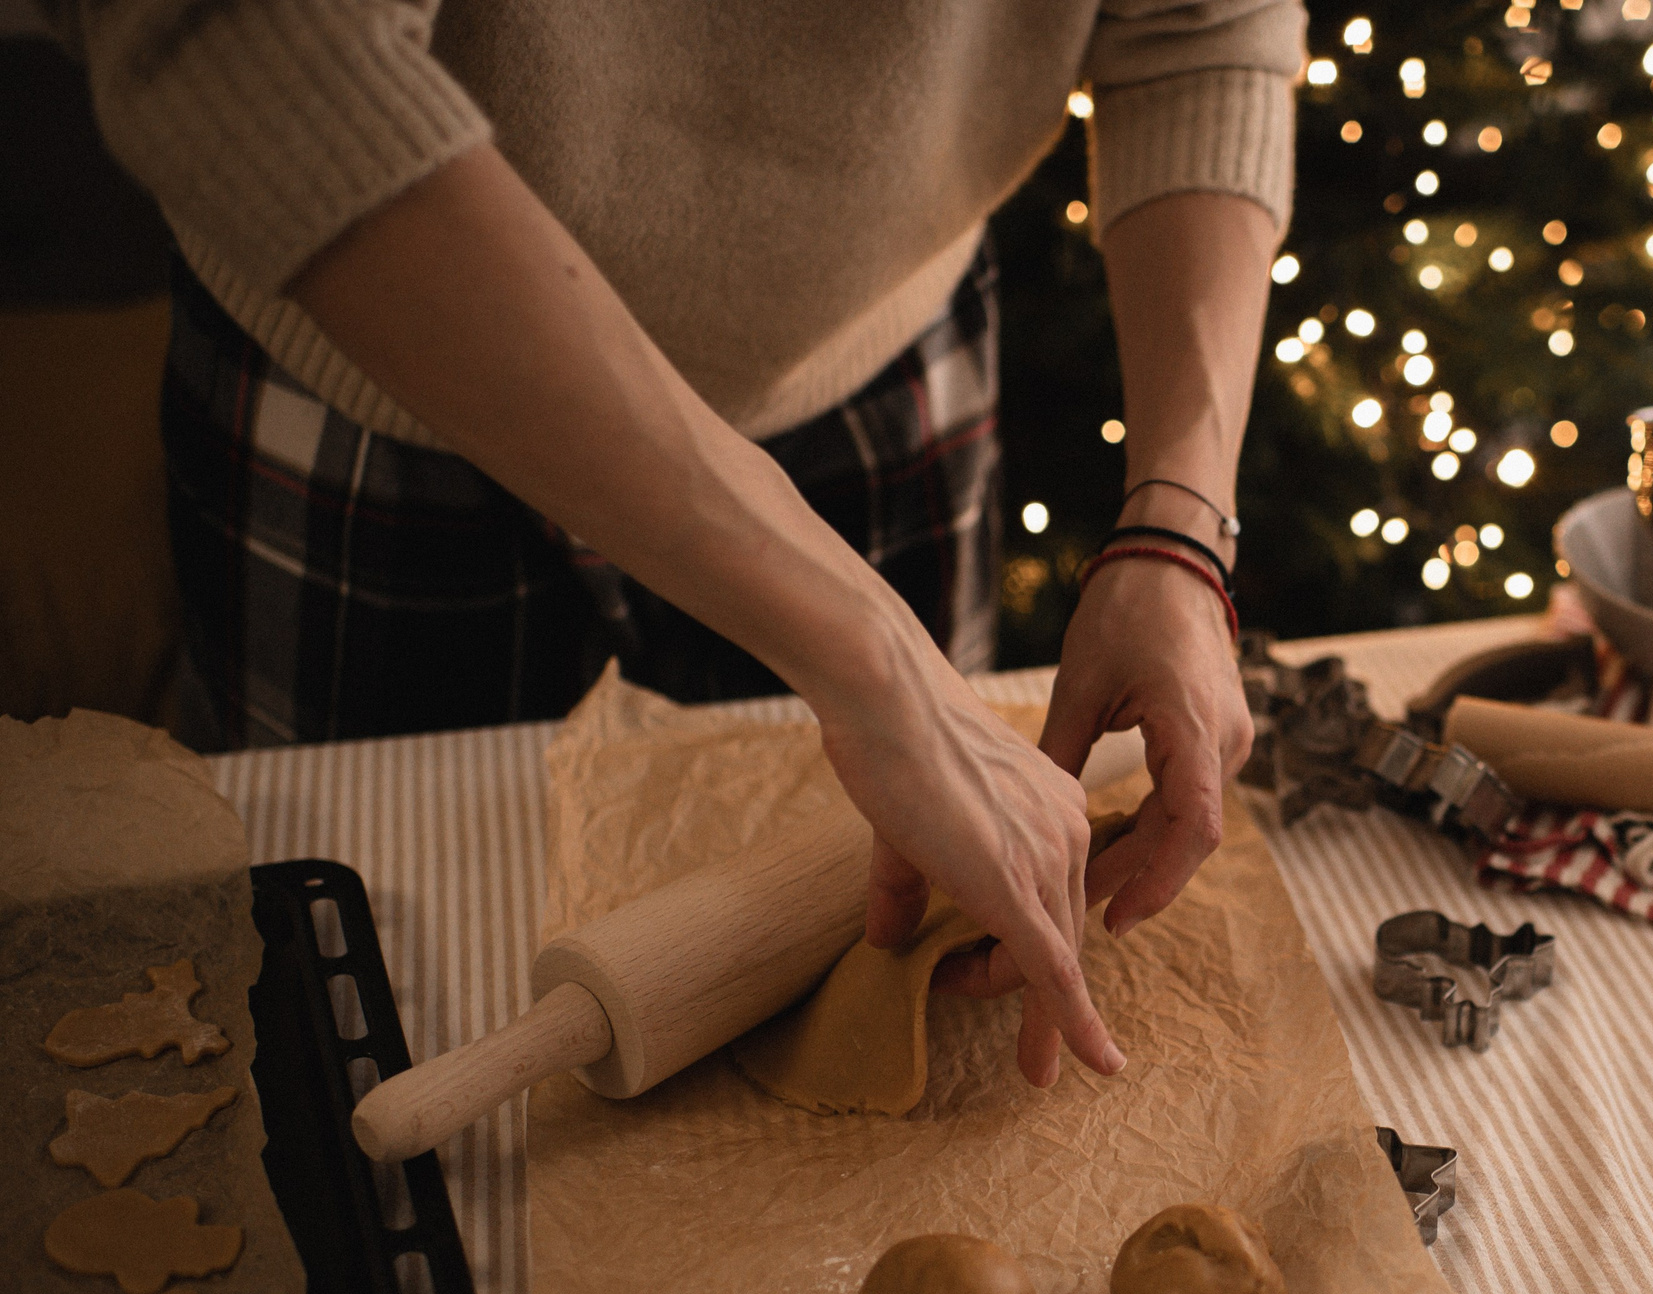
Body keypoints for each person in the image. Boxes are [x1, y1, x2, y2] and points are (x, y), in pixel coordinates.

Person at [55, 0, 1304, 1090]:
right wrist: (877, 661)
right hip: (388, 396)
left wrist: (1182, 527)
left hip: (884, 394)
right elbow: (261, 58)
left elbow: (1200, 28)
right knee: (346, 1003)